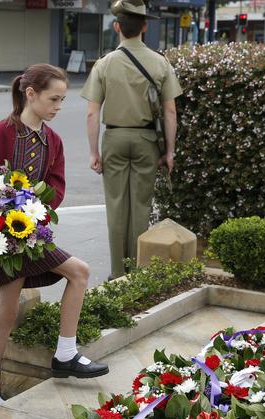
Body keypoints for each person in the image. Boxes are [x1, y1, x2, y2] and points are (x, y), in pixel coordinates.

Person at [0, 63, 108, 412]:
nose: (58, 106)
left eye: (62, 100)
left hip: (31, 233)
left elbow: (57, 185)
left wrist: (38, 207)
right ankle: (63, 355)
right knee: (74, 275)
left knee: (12, 308)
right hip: (3, 236)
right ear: (30, 94)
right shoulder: (0, 132)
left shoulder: (53, 141)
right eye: (53, 99)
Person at [81, 0, 182, 279]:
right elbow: (170, 110)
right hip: (146, 140)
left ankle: (117, 273)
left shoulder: (104, 64)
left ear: (117, 27)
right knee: (140, 206)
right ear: (145, 27)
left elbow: (92, 113)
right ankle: (137, 272)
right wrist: (170, 151)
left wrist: (94, 153)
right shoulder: (160, 63)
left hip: (113, 137)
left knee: (116, 206)